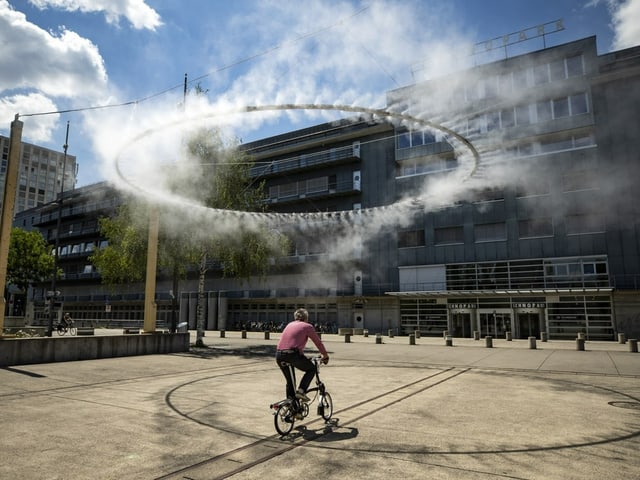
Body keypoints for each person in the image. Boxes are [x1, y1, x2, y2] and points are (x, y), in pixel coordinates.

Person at [276, 308, 329, 402]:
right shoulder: (307, 326)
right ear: (306, 318)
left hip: (279, 355)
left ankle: (292, 406)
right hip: (292, 355)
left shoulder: (289, 324)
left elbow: (290, 341)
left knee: (290, 382)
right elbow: (318, 342)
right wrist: (325, 355)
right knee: (312, 369)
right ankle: (301, 391)